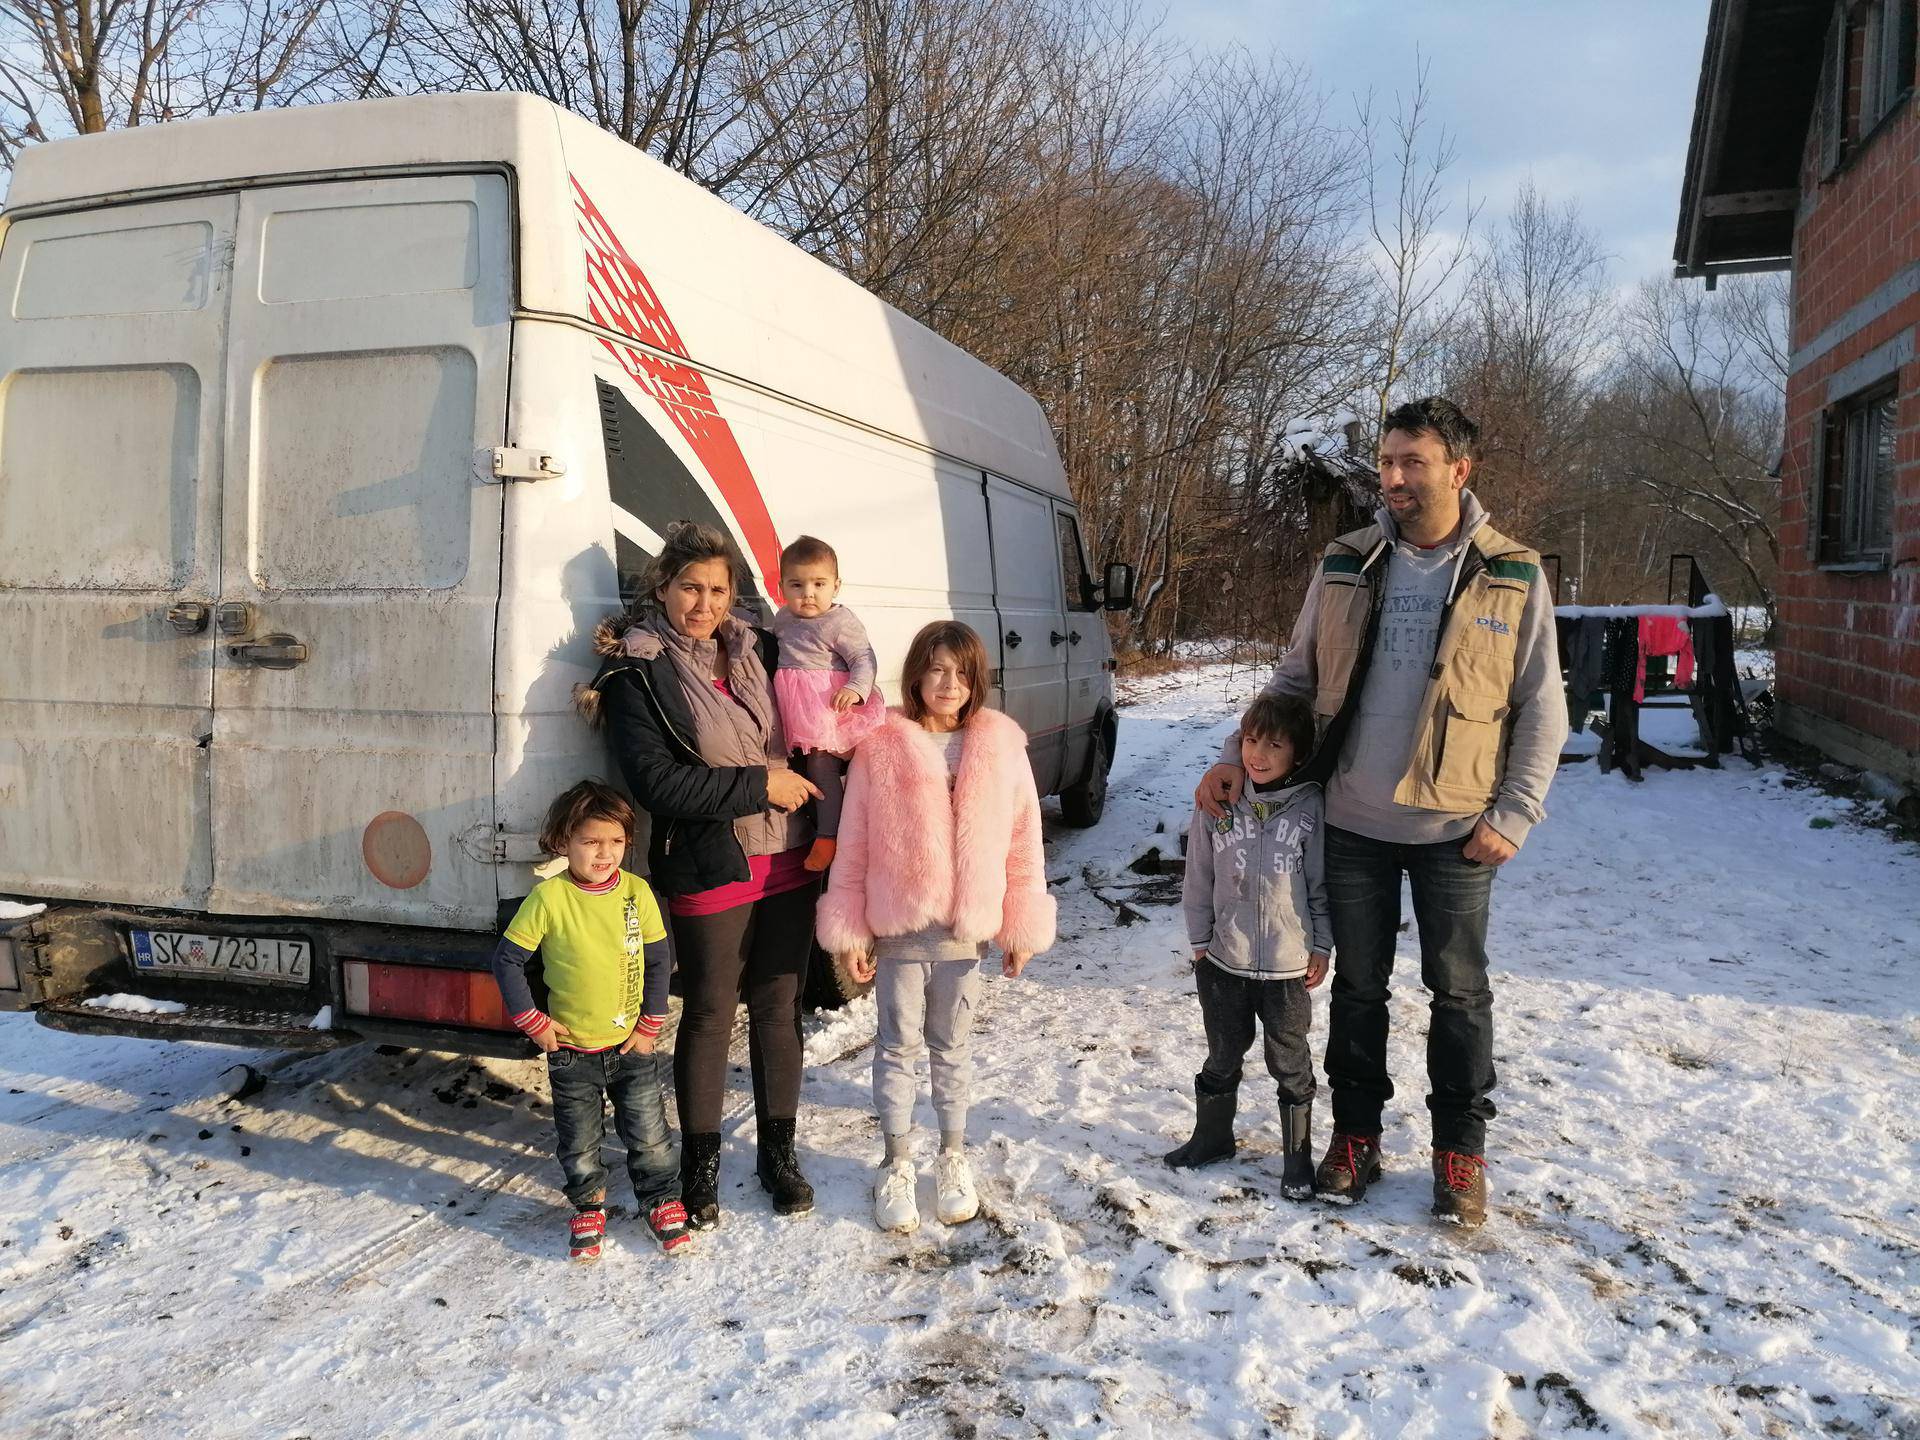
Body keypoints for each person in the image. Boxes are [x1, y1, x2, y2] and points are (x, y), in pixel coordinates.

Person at [1195, 397, 1567, 1229]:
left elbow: (1543, 708)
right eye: (1387, 461)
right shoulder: (1347, 562)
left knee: (1459, 994)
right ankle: (1355, 1137)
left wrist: (1515, 811)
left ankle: (1460, 1152)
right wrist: (1231, 757)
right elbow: (1294, 679)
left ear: (1458, 471)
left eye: (1412, 463)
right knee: (1359, 991)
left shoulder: (1513, 571)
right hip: (1352, 819)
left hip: (1458, 832)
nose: (1393, 477)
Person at [580, 522, 824, 1230]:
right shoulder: (638, 671)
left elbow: (824, 720)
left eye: (718, 589)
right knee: (713, 1012)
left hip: (789, 855)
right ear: (662, 587)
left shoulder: (765, 647)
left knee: (781, 1006)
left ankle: (779, 1153)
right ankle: (700, 1164)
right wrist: (759, 786)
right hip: (712, 861)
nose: (705, 603)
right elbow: (658, 785)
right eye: (691, 587)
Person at [816, 620, 1056, 1234]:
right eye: (937, 669)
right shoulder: (882, 744)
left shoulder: (1001, 744)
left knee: (952, 1046)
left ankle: (952, 1154)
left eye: (962, 671)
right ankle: (897, 1160)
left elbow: (1025, 838)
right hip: (900, 926)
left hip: (963, 931)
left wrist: (1020, 925)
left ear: (978, 679)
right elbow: (857, 836)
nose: (949, 683)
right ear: (917, 672)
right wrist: (850, 929)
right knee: (897, 1044)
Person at [491, 781, 686, 1260]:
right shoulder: (548, 899)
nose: (605, 853)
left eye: (616, 841)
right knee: (578, 1142)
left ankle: (660, 1198)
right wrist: (532, 1021)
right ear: (563, 842)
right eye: (591, 841)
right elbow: (507, 961)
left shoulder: (636, 892)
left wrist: (649, 1025)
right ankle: (588, 1204)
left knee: (650, 1136)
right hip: (571, 1052)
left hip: (631, 1046)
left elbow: (661, 961)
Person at [1168, 693, 1330, 1200]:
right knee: (1222, 1053)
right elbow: (1198, 876)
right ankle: (1213, 1138)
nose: (1257, 753)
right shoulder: (1218, 802)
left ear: (1297, 755)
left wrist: (1321, 943)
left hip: (1287, 968)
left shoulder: (1310, 808)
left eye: (1273, 744)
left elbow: (1321, 884)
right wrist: (1199, 943)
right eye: (1252, 740)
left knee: (1290, 1060)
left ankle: (1297, 1157)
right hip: (1223, 961)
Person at [768, 534, 889, 872]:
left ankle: (828, 836)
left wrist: (856, 688)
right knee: (797, 768)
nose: (808, 593)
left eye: (818, 584)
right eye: (797, 584)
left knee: (822, 768)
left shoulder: (839, 621)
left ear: (836, 585)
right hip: (794, 710)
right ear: (782, 587)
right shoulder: (782, 618)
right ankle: (809, 827)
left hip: (828, 709)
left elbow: (864, 658)